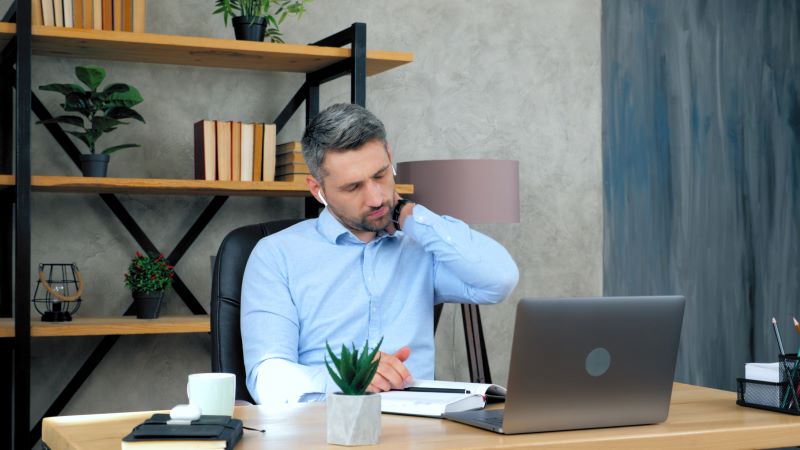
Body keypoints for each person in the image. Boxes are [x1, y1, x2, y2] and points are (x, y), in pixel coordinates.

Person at [241, 103, 519, 405]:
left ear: (389, 157)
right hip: (323, 429)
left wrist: (409, 214)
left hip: (418, 431)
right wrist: (348, 376)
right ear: (317, 189)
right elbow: (265, 379)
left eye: (380, 175)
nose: (375, 198)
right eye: (353, 187)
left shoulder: (420, 245)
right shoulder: (276, 255)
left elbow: (499, 279)